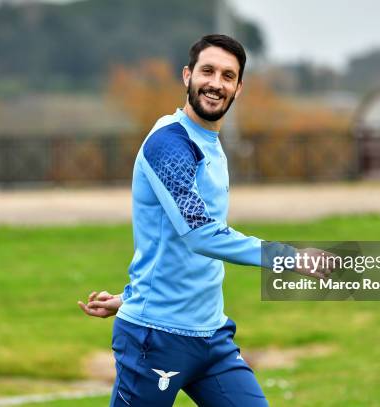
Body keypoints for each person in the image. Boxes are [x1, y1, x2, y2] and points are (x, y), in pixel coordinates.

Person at [78, 34, 330, 407]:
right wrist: (287, 257)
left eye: (228, 76)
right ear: (187, 76)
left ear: (238, 88)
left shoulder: (209, 142)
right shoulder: (169, 144)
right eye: (207, 71)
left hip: (211, 337)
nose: (216, 83)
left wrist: (128, 297)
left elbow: (174, 245)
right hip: (156, 339)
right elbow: (200, 235)